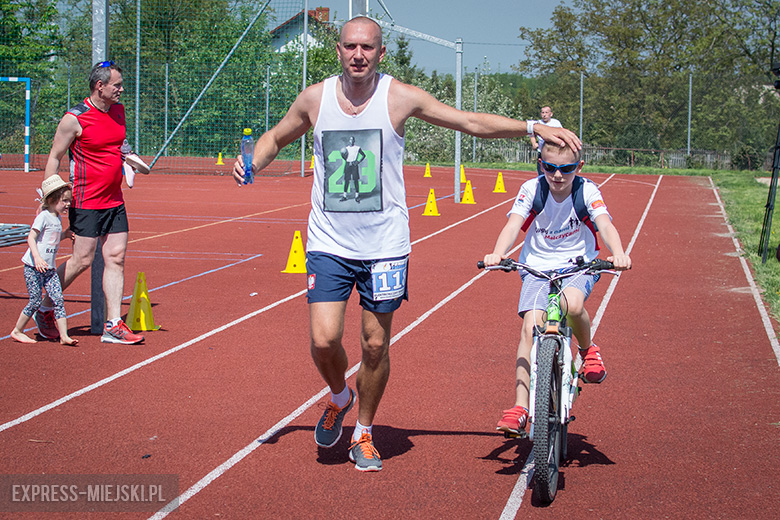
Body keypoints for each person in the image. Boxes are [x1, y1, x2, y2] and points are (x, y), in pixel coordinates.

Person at [232, 16, 581, 472]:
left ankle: (364, 432)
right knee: (324, 340)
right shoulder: (315, 99)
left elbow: (469, 121)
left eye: (368, 48)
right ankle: (340, 395)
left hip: (385, 245)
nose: (359, 55)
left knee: (375, 346)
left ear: (380, 53)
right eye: (351, 46)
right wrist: (251, 162)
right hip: (329, 240)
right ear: (338, 50)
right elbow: (276, 137)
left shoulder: (398, 97)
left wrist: (532, 127)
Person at [482, 141, 631, 436]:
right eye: (550, 167)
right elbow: (513, 224)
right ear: (540, 164)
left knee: (573, 304)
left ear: (579, 167)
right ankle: (521, 407)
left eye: (566, 169)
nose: (558, 175)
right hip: (537, 266)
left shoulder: (586, 190)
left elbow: (605, 225)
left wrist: (619, 253)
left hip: (578, 264)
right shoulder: (531, 190)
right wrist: (498, 253)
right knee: (530, 326)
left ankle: (588, 350)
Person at [34, 60, 144, 345]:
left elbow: (117, 142)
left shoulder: (118, 111)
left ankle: (113, 325)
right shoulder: (75, 118)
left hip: (114, 200)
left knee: (116, 258)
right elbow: (54, 158)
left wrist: (128, 158)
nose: (121, 89)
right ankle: (44, 307)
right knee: (82, 259)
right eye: (116, 85)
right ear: (100, 86)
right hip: (86, 200)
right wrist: (51, 199)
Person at [11, 175, 78, 346]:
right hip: (34, 267)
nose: (68, 204)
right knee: (34, 300)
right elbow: (31, 238)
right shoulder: (44, 216)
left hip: (49, 270)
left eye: (69, 201)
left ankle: (64, 335)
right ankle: (17, 330)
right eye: (64, 201)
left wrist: (65, 235)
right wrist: (37, 258)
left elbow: (51, 238)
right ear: (52, 199)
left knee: (58, 299)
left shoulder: (57, 218)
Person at [339, 135, 366, 203]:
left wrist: (358, 161)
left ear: (354, 141)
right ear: (349, 141)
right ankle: (344, 196)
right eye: (350, 140)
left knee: (355, 180)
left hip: (354, 165)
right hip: (348, 164)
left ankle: (357, 196)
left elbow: (363, 155)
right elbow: (344, 156)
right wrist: (345, 158)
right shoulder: (346, 148)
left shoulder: (357, 148)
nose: (351, 141)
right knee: (346, 180)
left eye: (352, 140)